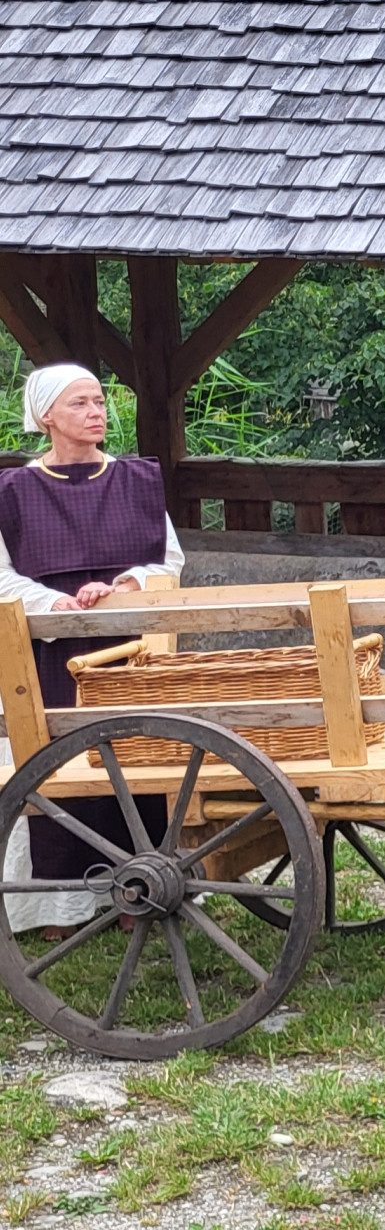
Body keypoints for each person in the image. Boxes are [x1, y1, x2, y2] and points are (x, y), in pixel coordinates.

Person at [0, 363, 182, 938]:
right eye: (80, 403)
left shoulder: (136, 481)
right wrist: (55, 603)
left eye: (100, 401)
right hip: (49, 656)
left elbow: (167, 561)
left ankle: (139, 893)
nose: (96, 411)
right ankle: (61, 907)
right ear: (47, 416)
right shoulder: (13, 493)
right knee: (57, 769)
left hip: (128, 648)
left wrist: (121, 586)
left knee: (136, 766)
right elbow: (1, 577)